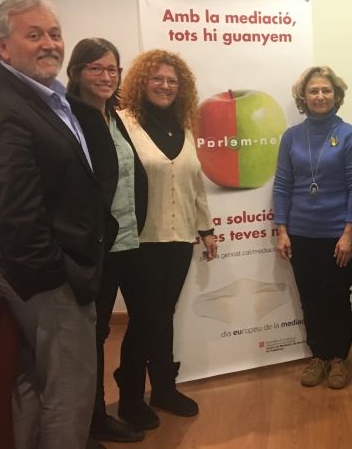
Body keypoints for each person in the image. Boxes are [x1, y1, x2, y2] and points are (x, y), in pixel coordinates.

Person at [0, 0, 108, 449]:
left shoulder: (44, 96)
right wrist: (57, 275)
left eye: (55, 34)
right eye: (35, 35)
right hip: (47, 278)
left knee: (36, 379)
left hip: (48, 270)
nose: (50, 44)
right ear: (4, 47)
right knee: (69, 393)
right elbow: (16, 211)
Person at [114, 50, 218, 430]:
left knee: (163, 315)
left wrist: (206, 229)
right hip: (139, 241)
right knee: (145, 320)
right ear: (142, 82)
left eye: (172, 80)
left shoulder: (182, 126)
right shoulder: (122, 124)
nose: (165, 85)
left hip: (180, 240)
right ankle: (129, 396)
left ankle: (163, 388)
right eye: (157, 78)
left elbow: (195, 184)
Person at [65, 38, 148, 444]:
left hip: (129, 238)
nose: (105, 76)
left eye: (112, 69)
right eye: (95, 68)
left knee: (143, 319)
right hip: (97, 246)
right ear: (76, 72)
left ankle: (126, 400)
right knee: (95, 335)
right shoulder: (70, 119)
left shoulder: (114, 116)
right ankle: (93, 419)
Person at [272, 66, 352, 389]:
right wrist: (282, 229)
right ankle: (318, 355)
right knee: (309, 297)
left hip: (337, 234)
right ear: (303, 97)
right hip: (301, 233)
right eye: (313, 91)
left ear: (336, 95)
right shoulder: (291, 137)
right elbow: (282, 185)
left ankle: (338, 358)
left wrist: (349, 232)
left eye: (326, 90)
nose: (320, 96)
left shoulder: (348, 135)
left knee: (337, 296)